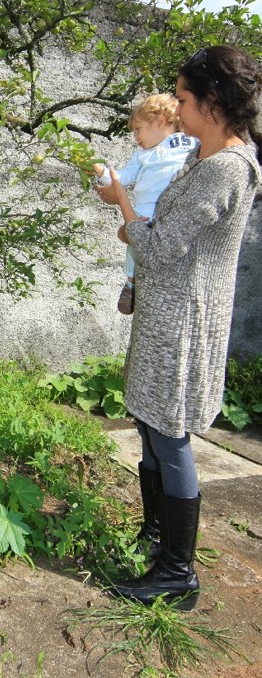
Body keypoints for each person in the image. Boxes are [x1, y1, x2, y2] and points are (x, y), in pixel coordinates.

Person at [96, 45, 261, 610]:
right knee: (148, 423)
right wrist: (135, 220)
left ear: (213, 101)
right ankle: (157, 535)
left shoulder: (225, 169)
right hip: (166, 313)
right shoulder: (201, 157)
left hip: (183, 324)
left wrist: (123, 205)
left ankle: (177, 573)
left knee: (169, 436)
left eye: (185, 99)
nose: (177, 109)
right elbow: (165, 232)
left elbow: (163, 248)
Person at [92, 93, 197, 314]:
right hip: (143, 208)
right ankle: (131, 283)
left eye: (139, 129)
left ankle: (140, 282)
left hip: (171, 207)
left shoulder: (188, 141)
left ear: (160, 122)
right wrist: (102, 172)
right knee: (134, 244)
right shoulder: (141, 156)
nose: (136, 137)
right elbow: (121, 178)